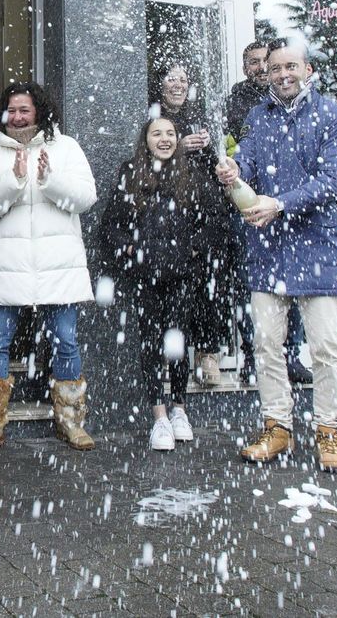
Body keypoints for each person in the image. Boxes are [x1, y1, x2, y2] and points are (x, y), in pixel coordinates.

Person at [217, 39, 337, 474]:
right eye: (275, 69)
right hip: (269, 248)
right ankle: (277, 426)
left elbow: (335, 181)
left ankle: (329, 431)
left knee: (326, 349)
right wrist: (234, 173)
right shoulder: (259, 116)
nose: (282, 75)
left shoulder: (333, 115)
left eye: (290, 67)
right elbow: (251, 170)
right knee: (266, 345)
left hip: (318, 246)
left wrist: (280, 203)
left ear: (307, 69)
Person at [0, 82, 97, 453]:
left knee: (65, 342)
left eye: (25, 110)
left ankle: (71, 422)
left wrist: (50, 180)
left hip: (58, 266)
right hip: (8, 267)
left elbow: (86, 197)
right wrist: (14, 180)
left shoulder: (66, 148)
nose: (17, 118)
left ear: (39, 112)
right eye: (12, 111)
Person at [103, 116, 223, 451]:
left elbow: (211, 221)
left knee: (178, 341)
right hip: (145, 275)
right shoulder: (131, 175)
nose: (165, 139)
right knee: (152, 342)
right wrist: (129, 247)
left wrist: (195, 250)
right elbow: (112, 224)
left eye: (171, 133)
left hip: (183, 274)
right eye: (157, 133)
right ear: (146, 140)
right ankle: (159, 416)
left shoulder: (193, 176)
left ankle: (180, 409)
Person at [224, 40, 311, 385]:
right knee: (254, 287)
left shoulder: (298, 103)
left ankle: (291, 354)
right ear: (246, 68)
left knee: (294, 285)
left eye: (267, 62)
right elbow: (240, 152)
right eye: (254, 63)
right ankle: (252, 357)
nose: (262, 68)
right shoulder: (241, 104)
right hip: (252, 207)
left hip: (288, 206)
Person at [149, 62, 227, 385]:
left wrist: (208, 149)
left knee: (209, 287)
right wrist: (178, 147)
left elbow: (215, 166)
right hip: (170, 214)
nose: (178, 85)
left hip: (204, 215)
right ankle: (170, 356)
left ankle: (207, 354)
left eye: (183, 79)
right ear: (161, 84)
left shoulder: (199, 118)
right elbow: (146, 159)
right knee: (173, 290)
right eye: (172, 79)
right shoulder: (152, 117)